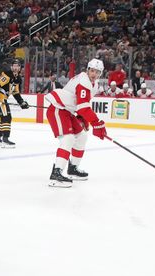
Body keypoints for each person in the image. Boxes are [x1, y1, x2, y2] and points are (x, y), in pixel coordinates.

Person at [44, 58, 108, 188]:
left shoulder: (93, 85)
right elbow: (83, 107)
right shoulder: (84, 80)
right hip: (58, 109)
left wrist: (84, 119)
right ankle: (56, 175)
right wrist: (96, 123)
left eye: (97, 72)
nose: (94, 74)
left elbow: (82, 105)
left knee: (82, 136)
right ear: (87, 70)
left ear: (100, 74)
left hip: (67, 111)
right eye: (92, 70)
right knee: (68, 139)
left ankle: (72, 169)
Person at [0, 58, 29, 148]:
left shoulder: (18, 79)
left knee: (4, 117)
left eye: (17, 66)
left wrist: (21, 102)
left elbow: (15, 92)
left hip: (3, 97)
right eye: (14, 66)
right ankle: (5, 139)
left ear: (20, 68)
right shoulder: (7, 74)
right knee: (7, 117)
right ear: (11, 67)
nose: (15, 68)